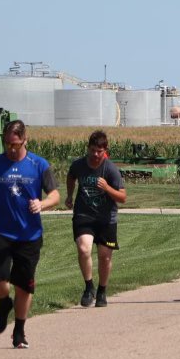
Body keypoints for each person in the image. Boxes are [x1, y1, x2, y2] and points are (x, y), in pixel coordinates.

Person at [0, 120, 60, 349]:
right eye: (7, 145)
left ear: (25, 140)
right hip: (1, 231)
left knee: (24, 285)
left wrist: (42, 204)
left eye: (15, 144)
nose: (11, 149)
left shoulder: (39, 165)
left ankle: (19, 331)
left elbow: (55, 195)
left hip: (29, 235)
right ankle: (5, 303)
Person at [66, 130, 127, 308]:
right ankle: (88, 287)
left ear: (105, 151)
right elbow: (71, 176)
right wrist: (69, 195)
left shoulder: (111, 169)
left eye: (99, 151)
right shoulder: (79, 165)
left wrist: (107, 188)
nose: (95, 154)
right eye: (92, 150)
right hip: (83, 215)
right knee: (84, 249)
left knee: (104, 257)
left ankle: (102, 290)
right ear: (88, 148)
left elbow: (123, 197)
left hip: (106, 219)